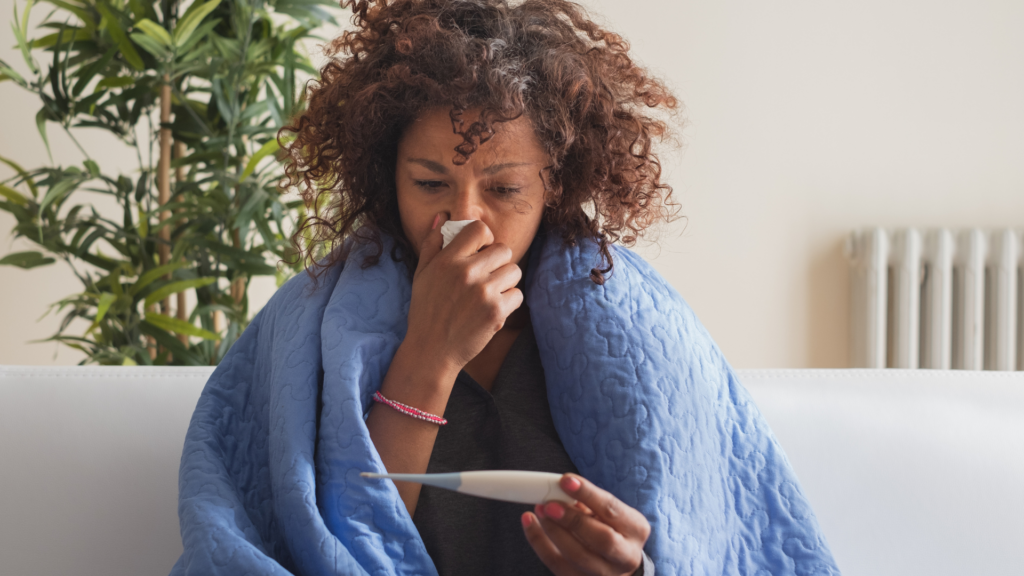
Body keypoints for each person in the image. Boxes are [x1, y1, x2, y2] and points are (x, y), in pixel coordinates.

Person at [171, 1, 839, 575]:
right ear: (385, 175)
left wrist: (633, 568)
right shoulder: (312, 322)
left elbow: (711, 544)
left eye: (505, 189)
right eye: (430, 183)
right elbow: (324, 549)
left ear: (557, 182)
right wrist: (427, 356)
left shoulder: (640, 328)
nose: (463, 218)